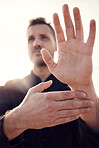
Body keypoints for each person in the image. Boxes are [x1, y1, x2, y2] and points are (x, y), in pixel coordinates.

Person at [0, 4, 99, 148]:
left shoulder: (72, 89)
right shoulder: (8, 90)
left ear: (56, 45)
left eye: (44, 37)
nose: (36, 43)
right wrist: (16, 121)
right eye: (31, 39)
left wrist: (84, 86)